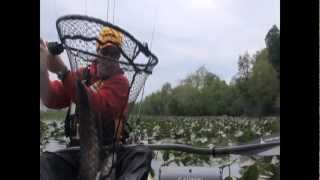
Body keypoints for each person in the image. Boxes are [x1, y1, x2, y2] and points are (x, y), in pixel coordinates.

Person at [40, 27, 152, 180]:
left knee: (141, 153)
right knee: (45, 162)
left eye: (115, 54)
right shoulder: (81, 75)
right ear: (97, 53)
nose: (109, 58)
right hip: (77, 151)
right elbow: (51, 98)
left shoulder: (121, 82)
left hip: (108, 151)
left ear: (119, 57)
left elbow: (99, 108)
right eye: (105, 52)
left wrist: (63, 72)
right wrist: (42, 69)